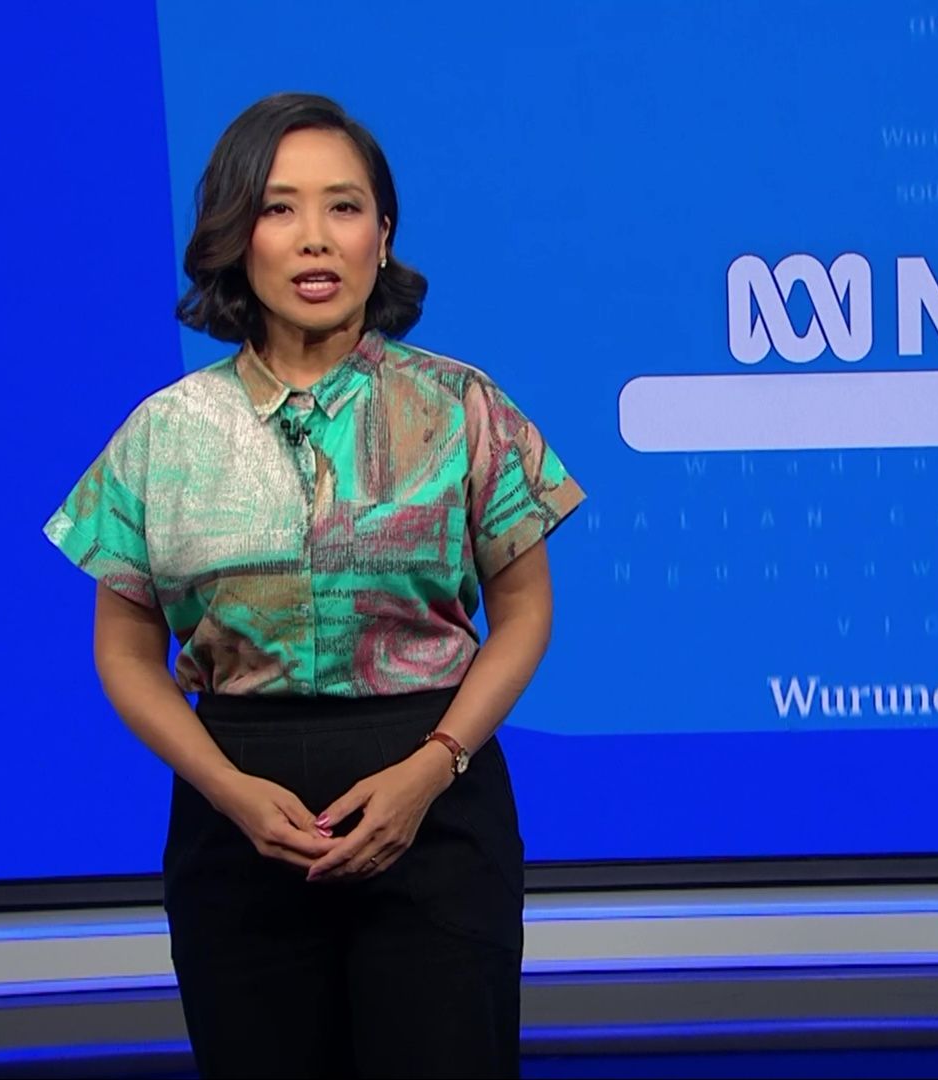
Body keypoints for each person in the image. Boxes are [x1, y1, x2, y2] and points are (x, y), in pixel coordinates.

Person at [43, 91, 584, 1078]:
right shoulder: (165, 434)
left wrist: (431, 769)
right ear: (235, 235)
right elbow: (123, 653)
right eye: (279, 207)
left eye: (344, 206)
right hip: (235, 810)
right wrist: (228, 791)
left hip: (434, 797)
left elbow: (525, 610)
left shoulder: (463, 407)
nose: (314, 238)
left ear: (384, 233)